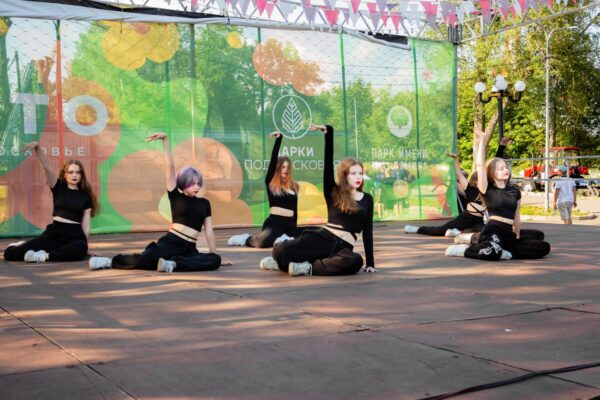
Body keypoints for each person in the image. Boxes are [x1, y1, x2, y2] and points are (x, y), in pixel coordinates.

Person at [88, 133, 222, 272]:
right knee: (146, 259)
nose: (196, 187)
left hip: (189, 250)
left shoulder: (204, 203)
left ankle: (173, 264)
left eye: (198, 183)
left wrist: (213, 253)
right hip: (171, 243)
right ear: (183, 183)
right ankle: (108, 262)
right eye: (192, 183)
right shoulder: (176, 196)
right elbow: (170, 165)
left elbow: (209, 232)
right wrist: (165, 140)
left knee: (215, 260)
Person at [258, 124, 376, 276]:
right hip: (322, 239)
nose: (358, 177)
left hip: (343, 249)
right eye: (353, 173)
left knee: (355, 261)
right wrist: (328, 134)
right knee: (280, 249)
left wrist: (370, 263)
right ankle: (285, 263)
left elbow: (367, 231)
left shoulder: (367, 199)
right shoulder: (334, 192)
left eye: (360, 173)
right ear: (344, 175)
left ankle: (306, 267)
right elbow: (328, 163)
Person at [445, 129, 550, 260]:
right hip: (493, 231)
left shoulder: (515, 192)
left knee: (543, 247)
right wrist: (483, 140)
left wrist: (517, 236)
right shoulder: (487, 189)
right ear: (492, 173)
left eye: (506, 167)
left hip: (508, 233)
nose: (505, 170)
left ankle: (503, 251)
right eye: (500, 169)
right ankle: (465, 250)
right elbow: (480, 165)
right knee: (492, 252)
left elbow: (516, 217)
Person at [3, 142, 98, 263]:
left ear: (81, 175)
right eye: (70, 172)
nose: (74, 175)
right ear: (64, 174)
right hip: (55, 232)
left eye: (77, 172)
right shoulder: (57, 186)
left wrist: (86, 247)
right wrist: (37, 148)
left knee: (80, 248)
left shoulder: (85, 196)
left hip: (75, 235)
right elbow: (46, 166)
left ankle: (45, 256)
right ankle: (23, 246)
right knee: (10, 254)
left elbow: (86, 225)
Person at [227, 131, 299, 248]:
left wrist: (295, 228)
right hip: (275, 223)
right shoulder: (271, 183)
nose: (285, 169)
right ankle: (246, 238)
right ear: (278, 168)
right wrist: (278, 140)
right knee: (262, 242)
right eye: (283, 167)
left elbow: (295, 211)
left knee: (310, 232)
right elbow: (273, 160)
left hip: (290, 224)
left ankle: (283, 239)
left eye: (288, 167)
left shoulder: (294, 186)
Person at [404, 153, 485, 237]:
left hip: (478, 221)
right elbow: (459, 174)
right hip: (466, 218)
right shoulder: (470, 189)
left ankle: (457, 232)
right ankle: (416, 229)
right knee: (439, 231)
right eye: (481, 180)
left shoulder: (487, 191)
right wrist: (456, 159)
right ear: (475, 181)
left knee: (487, 233)